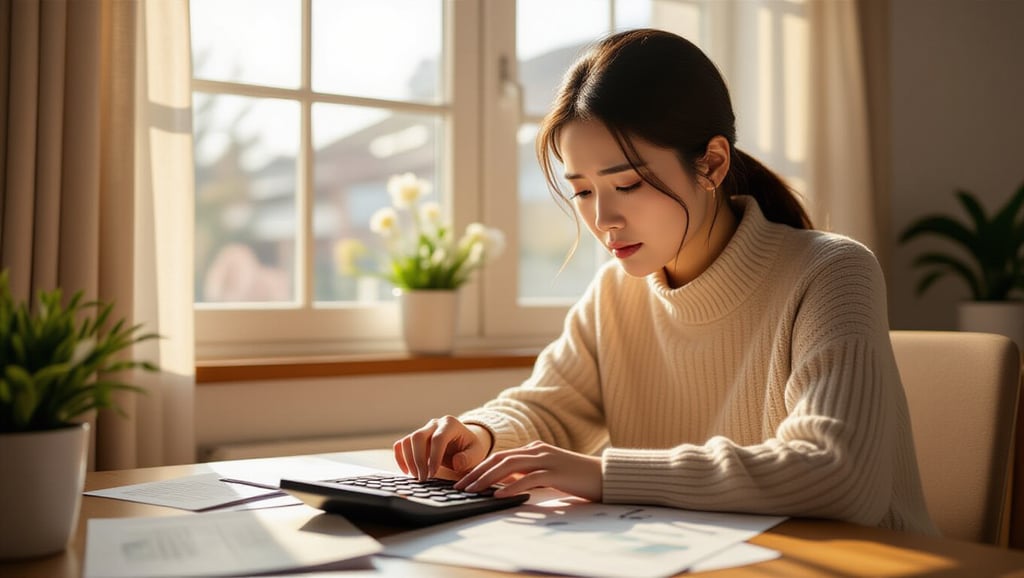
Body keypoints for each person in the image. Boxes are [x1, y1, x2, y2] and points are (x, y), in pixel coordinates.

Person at [393, 28, 938, 535]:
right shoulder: (614, 294)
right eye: (582, 191)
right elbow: (550, 409)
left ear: (712, 164)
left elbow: (839, 474)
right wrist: (482, 436)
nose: (603, 218)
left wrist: (606, 475)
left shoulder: (831, 272)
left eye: (626, 184)